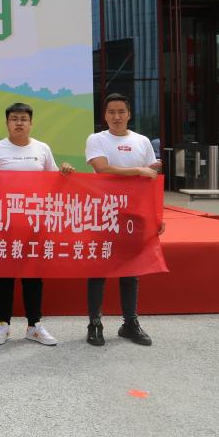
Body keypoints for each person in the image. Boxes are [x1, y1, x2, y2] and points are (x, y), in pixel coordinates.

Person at [0, 102, 74, 347]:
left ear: (31, 123)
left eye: (23, 119)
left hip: (34, 223)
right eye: (14, 119)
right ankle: (3, 324)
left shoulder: (42, 149)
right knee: (3, 276)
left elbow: (54, 180)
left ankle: (34, 325)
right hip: (4, 223)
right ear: (7, 123)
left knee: (33, 276)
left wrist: (64, 171)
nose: (19, 123)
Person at [84, 93, 160, 347]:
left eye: (121, 112)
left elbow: (151, 180)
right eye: (111, 112)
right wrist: (138, 170)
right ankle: (95, 323)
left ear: (129, 114)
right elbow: (102, 168)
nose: (116, 116)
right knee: (98, 269)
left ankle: (130, 323)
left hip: (134, 214)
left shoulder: (142, 141)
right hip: (103, 213)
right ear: (105, 115)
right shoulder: (97, 139)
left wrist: (156, 215)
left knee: (131, 270)